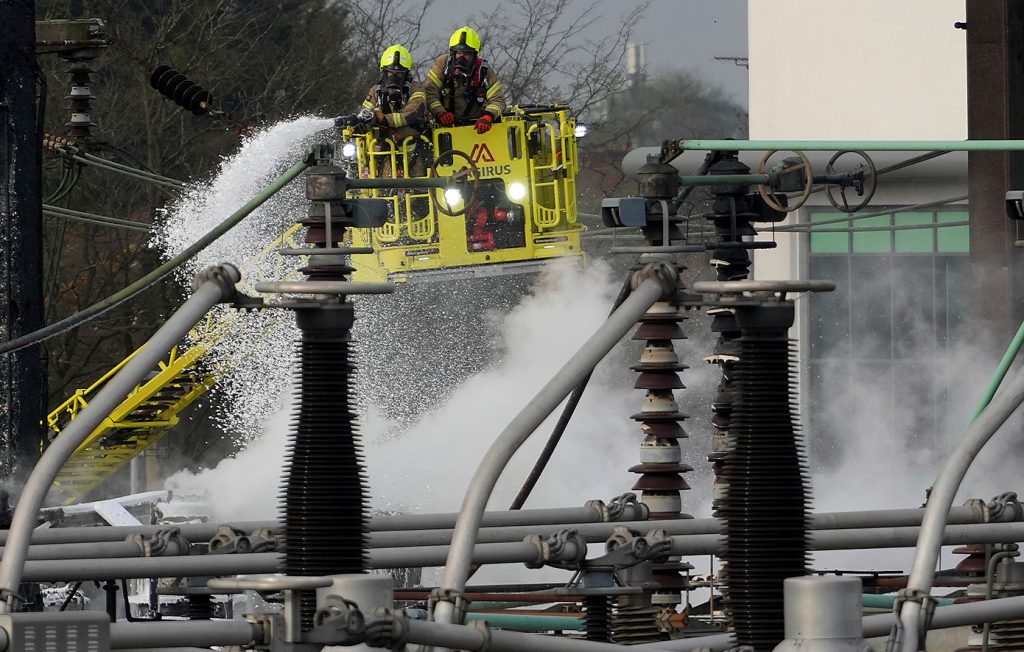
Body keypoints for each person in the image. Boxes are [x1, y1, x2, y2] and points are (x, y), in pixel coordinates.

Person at [424, 26, 506, 133]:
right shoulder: (442, 64)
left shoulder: (484, 70)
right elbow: (430, 93)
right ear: (452, 53)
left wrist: (487, 117)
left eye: (466, 54)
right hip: (443, 129)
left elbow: (498, 100)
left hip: (475, 129)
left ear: (474, 55)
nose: (461, 57)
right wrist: (440, 112)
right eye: (458, 53)